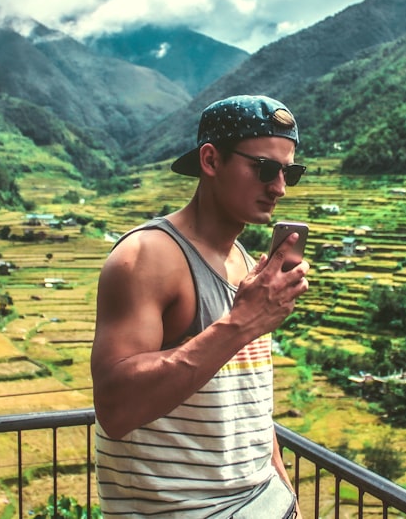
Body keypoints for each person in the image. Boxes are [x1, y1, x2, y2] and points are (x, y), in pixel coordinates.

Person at [91, 94, 310, 518]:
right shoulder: (148, 257)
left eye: (289, 172)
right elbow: (115, 410)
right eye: (265, 168)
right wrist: (241, 324)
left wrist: (287, 496)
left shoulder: (246, 263)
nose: (279, 187)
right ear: (210, 161)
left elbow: (253, 408)